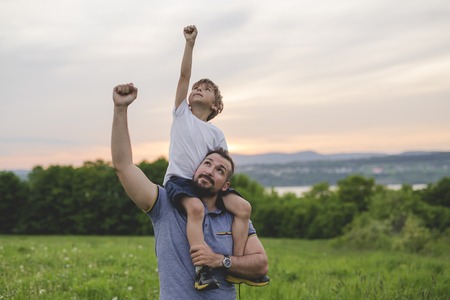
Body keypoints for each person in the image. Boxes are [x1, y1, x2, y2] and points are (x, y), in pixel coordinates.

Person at [111, 83, 269, 299]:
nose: (210, 170)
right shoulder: (166, 203)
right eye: (207, 163)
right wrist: (120, 109)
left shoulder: (232, 215)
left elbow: (260, 265)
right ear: (196, 167)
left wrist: (220, 260)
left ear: (226, 185)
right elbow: (124, 166)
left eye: (219, 170)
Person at [163, 24, 254, 290]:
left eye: (206, 88)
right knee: (195, 209)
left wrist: (222, 187)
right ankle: (202, 269)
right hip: (181, 181)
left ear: (215, 105)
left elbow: (223, 165)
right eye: (196, 87)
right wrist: (189, 43)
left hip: (207, 183)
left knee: (244, 208)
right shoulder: (182, 116)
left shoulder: (216, 134)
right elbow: (183, 75)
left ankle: (237, 264)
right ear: (188, 99)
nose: (198, 89)